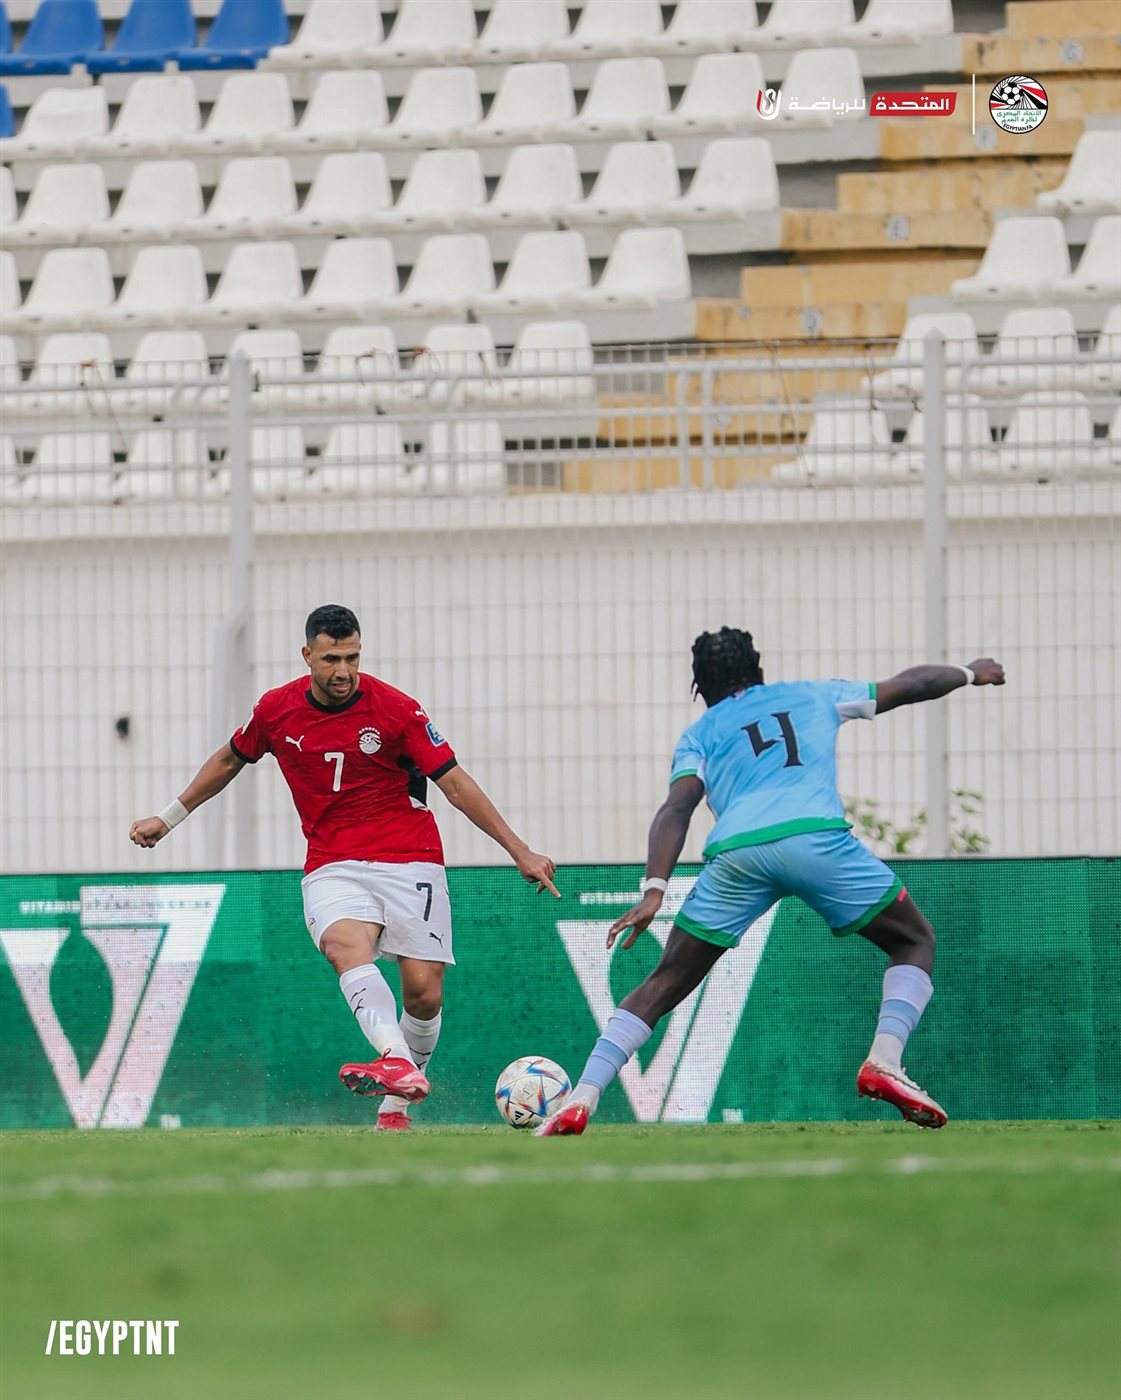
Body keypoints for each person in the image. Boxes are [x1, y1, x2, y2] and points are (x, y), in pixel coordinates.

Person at [537, 626, 1005, 1137]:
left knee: (664, 981)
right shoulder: (813, 694)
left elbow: (677, 807)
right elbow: (909, 685)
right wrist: (968, 673)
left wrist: (654, 889)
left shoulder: (700, 733)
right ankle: (884, 1060)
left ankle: (582, 1096)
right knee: (913, 940)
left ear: (700, 688)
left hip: (737, 855)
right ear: (758, 670)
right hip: (815, 840)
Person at [130, 603, 558, 1131]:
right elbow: (228, 759)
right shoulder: (276, 710)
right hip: (333, 862)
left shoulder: (397, 710)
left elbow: (454, 782)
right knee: (343, 945)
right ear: (307, 655)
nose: (344, 671)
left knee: (424, 995)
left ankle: (394, 1108)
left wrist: (519, 850)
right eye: (332, 659)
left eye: (352, 658)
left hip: (411, 857)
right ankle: (395, 1059)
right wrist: (169, 817)